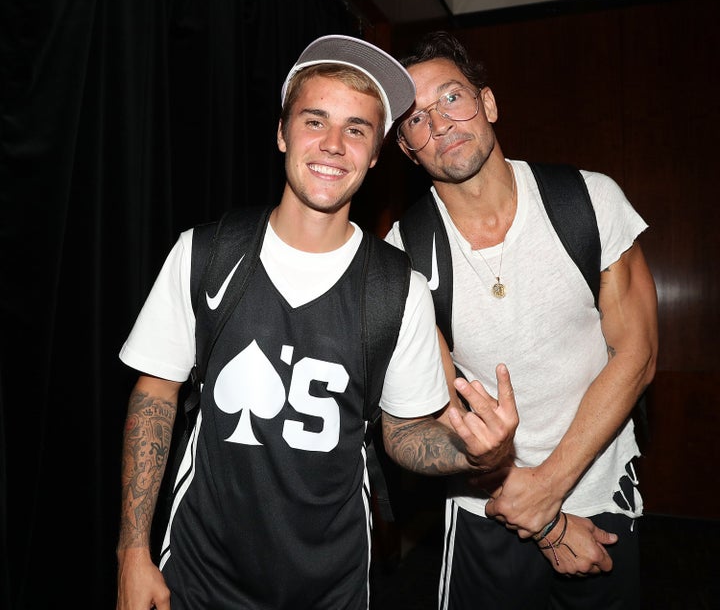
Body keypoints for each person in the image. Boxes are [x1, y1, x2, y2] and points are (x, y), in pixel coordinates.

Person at [115, 34, 519, 610]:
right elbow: (154, 396)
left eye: (357, 129)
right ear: (282, 133)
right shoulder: (205, 255)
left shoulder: (397, 288)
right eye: (315, 121)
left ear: (376, 154)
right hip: (200, 579)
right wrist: (132, 554)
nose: (334, 145)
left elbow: (404, 434)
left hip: (334, 587)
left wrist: (476, 454)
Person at [385, 31, 658, 609]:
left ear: (488, 103)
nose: (439, 123)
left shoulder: (590, 199)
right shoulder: (401, 253)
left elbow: (637, 356)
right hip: (486, 508)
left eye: (451, 98)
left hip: (601, 493)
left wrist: (549, 493)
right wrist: (547, 524)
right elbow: (437, 415)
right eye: (415, 118)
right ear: (407, 149)